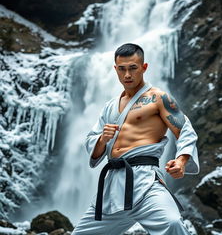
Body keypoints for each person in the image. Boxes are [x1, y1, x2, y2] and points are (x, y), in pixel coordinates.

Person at [72, 43, 199, 235]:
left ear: (144, 67)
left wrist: (181, 161)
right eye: (121, 69)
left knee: (172, 223)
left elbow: (185, 129)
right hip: (113, 184)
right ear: (115, 69)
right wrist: (102, 140)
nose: (127, 75)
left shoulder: (158, 98)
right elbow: (94, 149)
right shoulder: (110, 106)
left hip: (145, 179)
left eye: (133, 68)